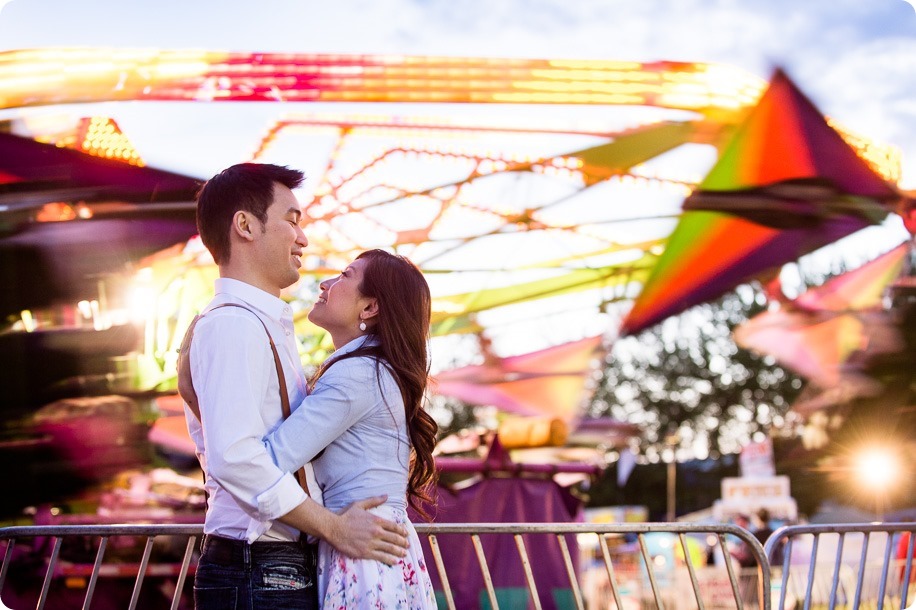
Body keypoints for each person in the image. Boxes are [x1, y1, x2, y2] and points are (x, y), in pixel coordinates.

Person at [183, 163, 408, 610]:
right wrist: (333, 527)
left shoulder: (257, 325)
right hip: (257, 564)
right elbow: (235, 457)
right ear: (245, 226)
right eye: (291, 219)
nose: (303, 237)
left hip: (273, 563)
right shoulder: (233, 324)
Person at [263, 249, 438, 608]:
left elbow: (268, 461)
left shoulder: (356, 375)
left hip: (361, 551)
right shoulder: (375, 370)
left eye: (344, 275)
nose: (325, 283)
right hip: (377, 547)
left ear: (370, 308)